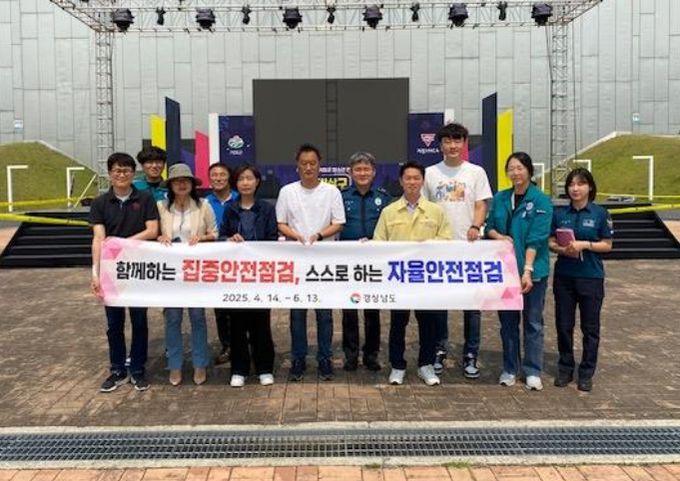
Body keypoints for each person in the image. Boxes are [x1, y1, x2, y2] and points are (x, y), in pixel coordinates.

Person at [423, 122, 492, 378]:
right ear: (440, 145)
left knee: (472, 305)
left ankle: (471, 353)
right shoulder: (430, 173)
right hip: (439, 247)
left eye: (457, 141)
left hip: (468, 246)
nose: (452, 146)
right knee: (439, 303)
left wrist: (475, 226)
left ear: (464, 144)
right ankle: (439, 349)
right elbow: (425, 207)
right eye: (447, 141)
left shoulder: (476, 172)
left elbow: (481, 204)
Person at [373, 161, 452, 386]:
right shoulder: (389, 212)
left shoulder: (436, 211)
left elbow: (446, 239)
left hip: (425, 279)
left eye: (416, 178)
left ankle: (426, 365)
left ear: (423, 181)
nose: (412, 182)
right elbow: (379, 242)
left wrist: (428, 245)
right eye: (407, 178)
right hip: (398, 279)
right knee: (398, 323)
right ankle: (397, 366)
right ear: (401, 181)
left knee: (428, 324)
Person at [275, 143, 346, 382]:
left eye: (312, 163)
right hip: (296, 262)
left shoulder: (331, 192)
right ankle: (298, 358)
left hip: (324, 262)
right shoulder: (287, 191)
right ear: (297, 166)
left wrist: (319, 235)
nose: (308, 167)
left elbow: (338, 223)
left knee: (324, 314)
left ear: (319, 165)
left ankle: (325, 358)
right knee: (297, 314)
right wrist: (296, 236)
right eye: (304, 163)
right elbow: (281, 223)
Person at [90, 152, 159, 392]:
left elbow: (152, 230)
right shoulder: (100, 203)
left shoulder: (145, 198)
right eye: (117, 171)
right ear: (110, 173)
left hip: (139, 268)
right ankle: (117, 369)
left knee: (139, 321)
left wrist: (123, 244)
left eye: (126, 170)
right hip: (112, 272)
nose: (122, 175)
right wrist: (95, 273)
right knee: (114, 324)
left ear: (133, 173)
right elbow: (98, 239)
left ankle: (138, 369)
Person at [486, 152, 553, 391]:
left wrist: (527, 270)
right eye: (511, 169)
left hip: (532, 272)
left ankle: (533, 370)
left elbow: (537, 237)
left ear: (529, 171)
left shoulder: (541, 200)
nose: (515, 173)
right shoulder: (501, 197)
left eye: (520, 168)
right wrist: (498, 236)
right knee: (508, 324)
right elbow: (489, 227)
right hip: (504, 271)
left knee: (533, 322)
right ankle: (509, 368)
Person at [549, 168, 613, 392]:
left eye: (580, 184)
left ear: (590, 187)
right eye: (571, 184)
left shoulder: (600, 214)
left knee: (590, 327)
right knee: (564, 325)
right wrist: (561, 249)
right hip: (564, 277)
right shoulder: (559, 214)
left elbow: (607, 245)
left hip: (591, 277)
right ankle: (565, 368)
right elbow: (550, 241)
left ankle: (586, 372)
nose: (575, 189)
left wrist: (585, 245)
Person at [157, 163, 217, 386]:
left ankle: (200, 364)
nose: (181, 184)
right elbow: (154, 233)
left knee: (197, 317)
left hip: (196, 271)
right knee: (172, 318)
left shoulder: (203, 206)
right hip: (171, 273)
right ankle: (174, 365)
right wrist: (160, 237)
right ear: (171, 185)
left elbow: (214, 233)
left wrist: (202, 238)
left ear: (192, 184)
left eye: (185, 181)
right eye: (177, 181)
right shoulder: (162, 207)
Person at [220, 164, 278, 387]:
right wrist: (229, 240)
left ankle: (264, 368)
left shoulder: (266, 208)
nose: (245, 183)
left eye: (249, 178)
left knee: (261, 322)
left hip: (260, 274)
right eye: (241, 179)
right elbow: (222, 236)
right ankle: (239, 369)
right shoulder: (230, 209)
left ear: (257, 182)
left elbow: (272, 237)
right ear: (236, 183)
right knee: (236, 323)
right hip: (235, 276)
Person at [340, 152, 392, 372]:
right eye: (358, 169)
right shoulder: (341, 196)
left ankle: (371, 355)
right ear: (350, 173)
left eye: (366, 169)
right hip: (347, 260)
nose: (362, 173)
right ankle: (350, 355)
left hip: (374, 261)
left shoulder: (383, 197)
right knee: (349, 310)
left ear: (374, 172)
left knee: (372, 309)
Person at [204, 163, 240, 366]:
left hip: (241, 261)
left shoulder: (240, 198)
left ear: (229, 178)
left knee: (242, 306)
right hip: (215, 262)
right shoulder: (203, 203)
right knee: (221, 308)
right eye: (214, 175)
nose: (218, 178)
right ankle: (227, 345)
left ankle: (244, 344)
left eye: (222, 175)